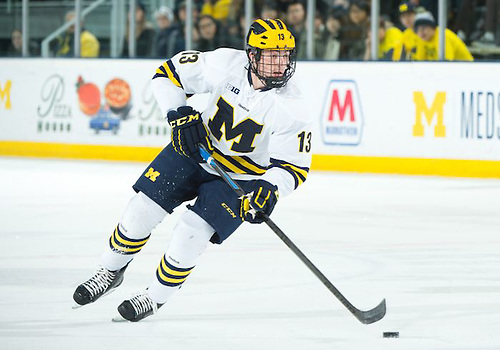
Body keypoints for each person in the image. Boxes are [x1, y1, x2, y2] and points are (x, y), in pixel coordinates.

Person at [73, 18, 313, 322]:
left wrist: (270, 188)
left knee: (190, 235)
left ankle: (154, 297)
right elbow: (167, 74)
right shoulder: (225, 63)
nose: (280, 64)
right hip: (195, 150)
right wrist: (180, 114)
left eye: (285, 56)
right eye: (271, 55)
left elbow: (293, 166)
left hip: (241, 177)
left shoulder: (294, 107)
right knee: (139, 212)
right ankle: (110, 270)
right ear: (252, 55)